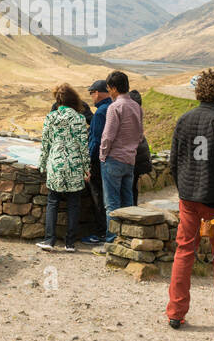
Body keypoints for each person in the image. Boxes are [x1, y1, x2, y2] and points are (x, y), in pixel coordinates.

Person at [166, 68, 214, 329]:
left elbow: (173, 162)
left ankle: (176, 312)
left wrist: (183, 190)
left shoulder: (184, 120)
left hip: (189, 200)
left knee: (184, 251)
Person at [36, 83, 90, 252]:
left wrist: (42, 164)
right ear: (73, 99)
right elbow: (83, 146)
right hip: (74, 166)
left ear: (58, 100)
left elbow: (45, 144)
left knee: (53, 202)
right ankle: (70, 243)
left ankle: (49, 240)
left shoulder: (51, 118)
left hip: (56, 165)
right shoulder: (80, 119)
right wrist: (86, 168)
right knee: (74, 204)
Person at [98, 70, 143, 238]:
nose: (109, 92)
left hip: (113, 159)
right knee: (127, 203)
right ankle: (127, 239)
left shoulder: (115, 107)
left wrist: (103, 155)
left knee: (112, 205)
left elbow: (108, 136)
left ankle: (112, 241)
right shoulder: (136, 106)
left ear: (114, 88)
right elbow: (140, 135)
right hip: (130, 160)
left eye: (109, 88)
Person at [82, 79, 113, 244]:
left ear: (98, 92)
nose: (91, 96)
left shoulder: (101, 112)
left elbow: (96, 140)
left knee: (99, 198)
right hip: (116, 160)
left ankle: (102, 233)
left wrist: (88, 164)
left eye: (91, 93)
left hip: (99, 163)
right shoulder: (114, 107)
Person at [128, 89, 152, 206]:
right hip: (140, 157)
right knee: (133, 188)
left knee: (129, 188)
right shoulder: (138, 113)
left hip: (134, 158)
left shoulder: (129, 114)